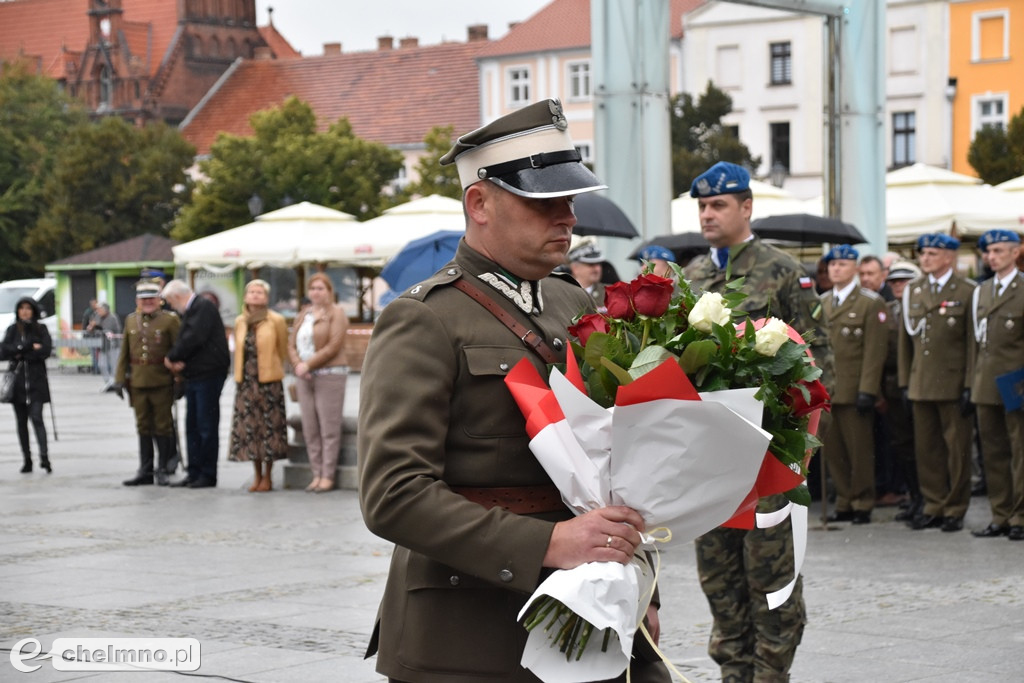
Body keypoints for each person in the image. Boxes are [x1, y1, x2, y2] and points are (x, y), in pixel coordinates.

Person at [358, 98, 669, 683]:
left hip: (592, 603)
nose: (568, 217)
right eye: (544, 201)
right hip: (468, 626)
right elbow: (393, 494)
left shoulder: (570, 300)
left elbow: (611, 461)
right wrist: (549, 543)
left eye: (570, 199)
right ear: (479, 203)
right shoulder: (424, 318)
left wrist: (642, 581)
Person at [683, 160, 832, 682]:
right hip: (711, 461)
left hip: (770, 453)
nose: (707, 214)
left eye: (718, 204)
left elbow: (819, 359)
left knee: (771, 577)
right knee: (719, 577)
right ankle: (733, 673)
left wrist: (803, 446)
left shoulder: (784, 271)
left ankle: (771, 675)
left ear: (747, 207)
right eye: (701, 205)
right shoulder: (693, 277)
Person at [897, 233, 976, 532]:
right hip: (921, 382)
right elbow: (906, 342)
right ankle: (934, 504)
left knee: (957, 450)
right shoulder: (913, 291)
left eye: (932, 253)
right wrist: (905, 382)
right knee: (927, 449)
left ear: (949, 257)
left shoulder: (967, 291)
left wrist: (969, 384)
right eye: (923, 253)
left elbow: (971, 343)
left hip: (954, 383)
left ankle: (955, 507)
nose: (925, 258)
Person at [820, 245, 889, 525]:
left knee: (859, 450)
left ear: (855, 269)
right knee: (833, 450)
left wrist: (868, 390)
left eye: (842, 264)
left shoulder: (869, 302)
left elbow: (875, 351)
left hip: (854, 388)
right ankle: (844, 499)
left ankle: (862, 500)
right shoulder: (821, 301)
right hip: (827, 389)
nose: (836, 269)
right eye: (832, 264)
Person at [969, 229, 1024, 540]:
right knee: (993, 452)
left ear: (1015, 253)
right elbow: (976, 343)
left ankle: (1020, 516)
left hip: (1016, 382)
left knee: (1020, 452)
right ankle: (1000, 514)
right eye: (988, 251)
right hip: (986, 382)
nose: (992, 256)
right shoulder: (983, 291)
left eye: (999, 250)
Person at [161, 279, 230, 489]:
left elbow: (193, 338)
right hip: (196, 375)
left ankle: (207, 474)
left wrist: (171, 357)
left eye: (171, 303)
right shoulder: (193, 309)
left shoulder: (203, 307)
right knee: (192, 426)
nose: (172, 307)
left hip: (208, 375)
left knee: (206, 426)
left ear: (177, 297)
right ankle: (194, 471)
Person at [114, 281, 181, 486]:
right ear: (137, 301)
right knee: (143, 425)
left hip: (161, 380)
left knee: (162, 426)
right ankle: (145, 469)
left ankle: (163, 467)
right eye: (144, 299)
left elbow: (178, 349)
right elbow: (124, 351)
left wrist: (179, 378)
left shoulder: (169, 321)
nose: (148, 302)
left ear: (159, 300)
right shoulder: (131, 321)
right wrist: (119, 379)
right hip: (137, 381)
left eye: (151, 298)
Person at [288, 273, 349, 493]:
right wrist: (298, 365)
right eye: (312, 288)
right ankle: (316, 474)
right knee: (310, 428)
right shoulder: (303, 314)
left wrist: (308, 364)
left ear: (329, 291)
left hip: (330, 375)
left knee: (328, 428)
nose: (316, 292)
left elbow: (334, 345)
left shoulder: (337, 313)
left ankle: (327, 475)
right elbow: (291, 344)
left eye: (320, 288)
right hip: (304, 376)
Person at [228, 279, 289, 492]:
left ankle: (269, 476)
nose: (255, 295)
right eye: (252, 292)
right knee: (251, 430)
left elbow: (282, 349)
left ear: (266, 297)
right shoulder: (240, 321)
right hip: (246, 383)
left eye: (260, 292)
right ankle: (257, 475)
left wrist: (273, 369)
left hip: (268, 383)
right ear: (245, 297)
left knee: (269, 430)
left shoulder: (276, 320)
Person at [883, 261, 924, 522]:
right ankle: (914, 497)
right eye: (894, 282)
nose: (898, 286)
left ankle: (927, 499)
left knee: (924, 446)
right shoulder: (886, 310)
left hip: (919, 385)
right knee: (903, 446)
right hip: (893, 388)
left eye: (904, 281)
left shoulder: (920, 309)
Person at [2, 297, 53, 474]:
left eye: (28, 308)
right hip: (17, 384)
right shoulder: (12, 330)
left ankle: (44, 457)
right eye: (21, 308)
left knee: (37, 418)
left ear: (33, 310)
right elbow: (3, 351)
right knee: (21, 422)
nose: (24, 311)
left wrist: (22, 352)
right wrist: (27, 347)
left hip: (36, 382)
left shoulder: (41, 329)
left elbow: (46, 350)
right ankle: (27, 458)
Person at [567, 238, 606, 308]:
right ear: (575, 268)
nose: (597, 269)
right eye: (591, 265)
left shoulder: (608, 293)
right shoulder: (563, 291)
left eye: (598, 264)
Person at [94, 302, 122, 390]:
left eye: (100, 310)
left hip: (113, 345)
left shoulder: (112, 318)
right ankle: (108, 382)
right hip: (104, 345)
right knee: (101, 364)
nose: (98, 312)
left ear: (105, 310)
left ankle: (113, 383)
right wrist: (93, 328)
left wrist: (101, 329)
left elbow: (115, 330)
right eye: (97, 310)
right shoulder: (98, 317)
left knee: (114, 365)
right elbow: (97, 330)